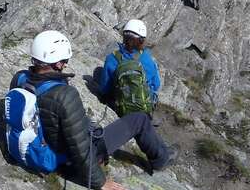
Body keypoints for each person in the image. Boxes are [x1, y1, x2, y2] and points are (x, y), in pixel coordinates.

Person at [9, 30, 176, 190]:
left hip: (40, 146)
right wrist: (100, 181)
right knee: (139, 119)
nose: (66, 64)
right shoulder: (64, 95)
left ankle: (162, 153)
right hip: (69, 161)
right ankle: (162, 159)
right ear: (58, 63)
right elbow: (80, 147)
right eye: (65, 61)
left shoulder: (20, 78)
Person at [99, 19, 160, 113]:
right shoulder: (147, 59)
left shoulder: (112, 58)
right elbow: (156, 85)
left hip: (120, 106)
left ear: (124, 36)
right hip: (144, 108)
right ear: (141, 40)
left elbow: (105, 87)